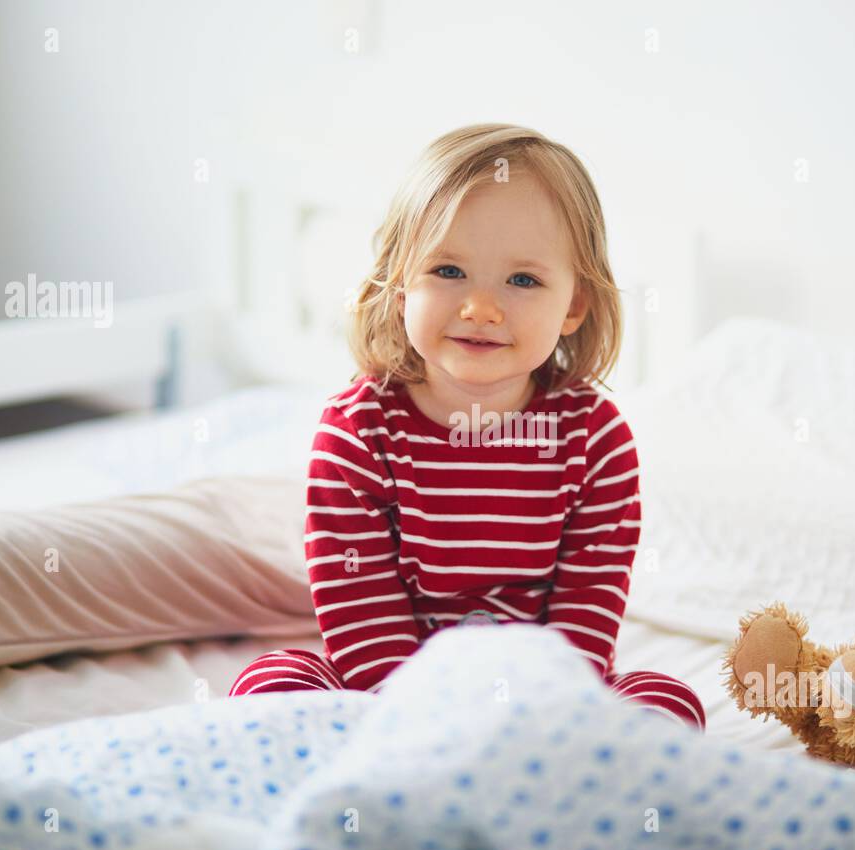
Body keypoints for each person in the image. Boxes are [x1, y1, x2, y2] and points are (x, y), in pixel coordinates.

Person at [229, 123, 705, 731]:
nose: (481, 307)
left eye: (524, 280)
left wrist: (541, 714)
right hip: (385, 696)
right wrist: (423, 721)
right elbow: (359, 611)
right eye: (448, 271)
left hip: (542, 697)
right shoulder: (357, 433)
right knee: (271, 681)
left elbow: (586, 615)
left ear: (575, 306)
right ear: (401, 286)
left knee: (666, 701)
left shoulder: (596, 440)